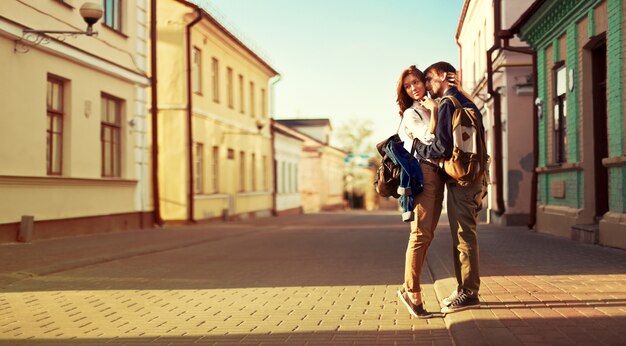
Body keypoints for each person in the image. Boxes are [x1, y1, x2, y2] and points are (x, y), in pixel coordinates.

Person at [413, 61, 487, 314]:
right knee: (464, 235)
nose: (427, 86)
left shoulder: (448, 103)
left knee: (463, 236)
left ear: (443, 76)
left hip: (462, 180)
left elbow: (441, 148)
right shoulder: (466, 102)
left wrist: (418, 147)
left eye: (429, 79)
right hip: (473, 177)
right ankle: (465, 288)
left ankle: (468, 293)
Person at [394, 65, 445, 319]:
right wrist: (434, 111)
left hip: (439, 174)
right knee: (420, 234)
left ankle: (409, 287)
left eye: (416, 82)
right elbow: (430, 139)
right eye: (407, 85)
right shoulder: (412, 115)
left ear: (425, 82)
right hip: (424, 175)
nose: (413, 87)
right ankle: (411, 291)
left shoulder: (433, 104)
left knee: (428, 234)